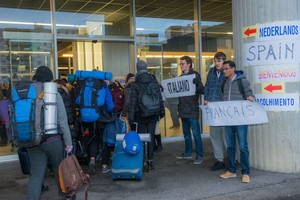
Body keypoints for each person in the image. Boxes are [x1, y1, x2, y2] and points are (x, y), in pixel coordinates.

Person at [26, 66, 73, 200]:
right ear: (50, 78)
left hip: (33, 140)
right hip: (52, 141)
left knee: (36, 175)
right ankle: (66, 195)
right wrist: (69, 144)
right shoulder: (53, 92)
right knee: (60, 171)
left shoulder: (27, 93)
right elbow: (62, 120)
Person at [219, 60, 255, 183]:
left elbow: (249, 93)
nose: (224, 71)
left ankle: (245, 173)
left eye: (226, 68)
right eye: (223, 69)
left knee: (243, 146)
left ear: (233, 69)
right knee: (230, 146)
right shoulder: (224, 82)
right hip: (228, 121)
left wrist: (251, 98)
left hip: (240, 120)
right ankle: (232, 171)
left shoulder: (242, 81)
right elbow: (222, 97)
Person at [128, 60, 165, 172]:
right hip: (153, 113)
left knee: (141, 138)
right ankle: (150, 162)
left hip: (141, 114)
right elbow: (159, 98)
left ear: (137, 69)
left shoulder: (135, 84)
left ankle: (142, 160)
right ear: (146, 68)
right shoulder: (154, 81)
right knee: (151, 136)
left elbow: (133, 102)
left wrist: (131, 118)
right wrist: (161, 112)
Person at [176, 56, 204, 165]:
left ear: (189, 64)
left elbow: (201, 90)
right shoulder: (179, 78)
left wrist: (198, 83)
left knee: (196, 134)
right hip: (183, 109)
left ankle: (199, 155)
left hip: (192, 109)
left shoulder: (195, 75)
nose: (181, 65)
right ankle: (188, 153)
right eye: (180, 64)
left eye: (183, 63)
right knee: (186, 134)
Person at [204, 52, 227, 171]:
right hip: (212, 107)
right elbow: (207, 86)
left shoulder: (227, 72)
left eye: (219, 61)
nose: (217, 63)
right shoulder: (211, 72)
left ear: (224, 62)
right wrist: (206, 98)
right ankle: (219, 160)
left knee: (226, 135)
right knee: (215, 134)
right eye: (216, 61)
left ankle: (231, 159)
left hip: (224, 107)